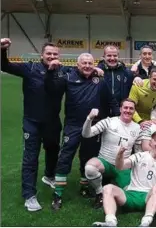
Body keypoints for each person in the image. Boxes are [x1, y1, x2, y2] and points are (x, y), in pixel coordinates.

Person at [45, 53, 119, 210]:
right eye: (84, 63)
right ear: (77, 65)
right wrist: (51, 72)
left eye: (90, 63)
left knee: (88, 157)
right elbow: (52, 88)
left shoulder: (99, 80)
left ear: (94, 64)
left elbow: (111, 100)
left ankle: (85, 187)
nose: (87, 66)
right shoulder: (69, 77)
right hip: (73, 125)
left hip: (93, 126)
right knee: (65, 157)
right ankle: (58, 194)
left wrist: (117, 117)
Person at [0, 38, 66, 211]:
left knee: (53, 150)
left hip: (52, 121)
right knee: (31, 158)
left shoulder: (63, 70)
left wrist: (97, 70)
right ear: (42, 55)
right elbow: (5, 66)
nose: (52, 56)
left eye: (55, 54)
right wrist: (2, 51)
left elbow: (83, 72)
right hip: (32, 122)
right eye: (48, 53)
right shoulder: (29, 68)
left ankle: (49, 176)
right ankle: (29, 195)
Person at [93, 131, 156, 227]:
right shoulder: (140, 156)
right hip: (130, 194)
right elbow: (120, 167)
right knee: (108, 188)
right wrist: (120, 154)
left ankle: (146, 222)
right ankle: (110, 222)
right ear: (151, 142)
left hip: (147, 197)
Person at [82, 99, 141, 209]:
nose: (128, 110)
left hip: (123, 166)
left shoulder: (137, 128)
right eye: (125, 108)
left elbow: (138, 151)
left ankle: (115, 187)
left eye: (131, 108)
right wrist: (89, 118)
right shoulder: (109, 121)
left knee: (130, 191)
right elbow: (86, 134)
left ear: (134, 111)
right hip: (105, 162)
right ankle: (100, 194)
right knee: (90, 168)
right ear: (120, 109)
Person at [96, 45, 135, 115]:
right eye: (109, 55)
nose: (112, 58)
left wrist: (137, 77)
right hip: (101, 112)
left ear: (118, 57)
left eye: (115, 55)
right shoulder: (96, 72)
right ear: (103, 57)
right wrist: (93, 69)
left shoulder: (127, 73)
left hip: (120, 112)